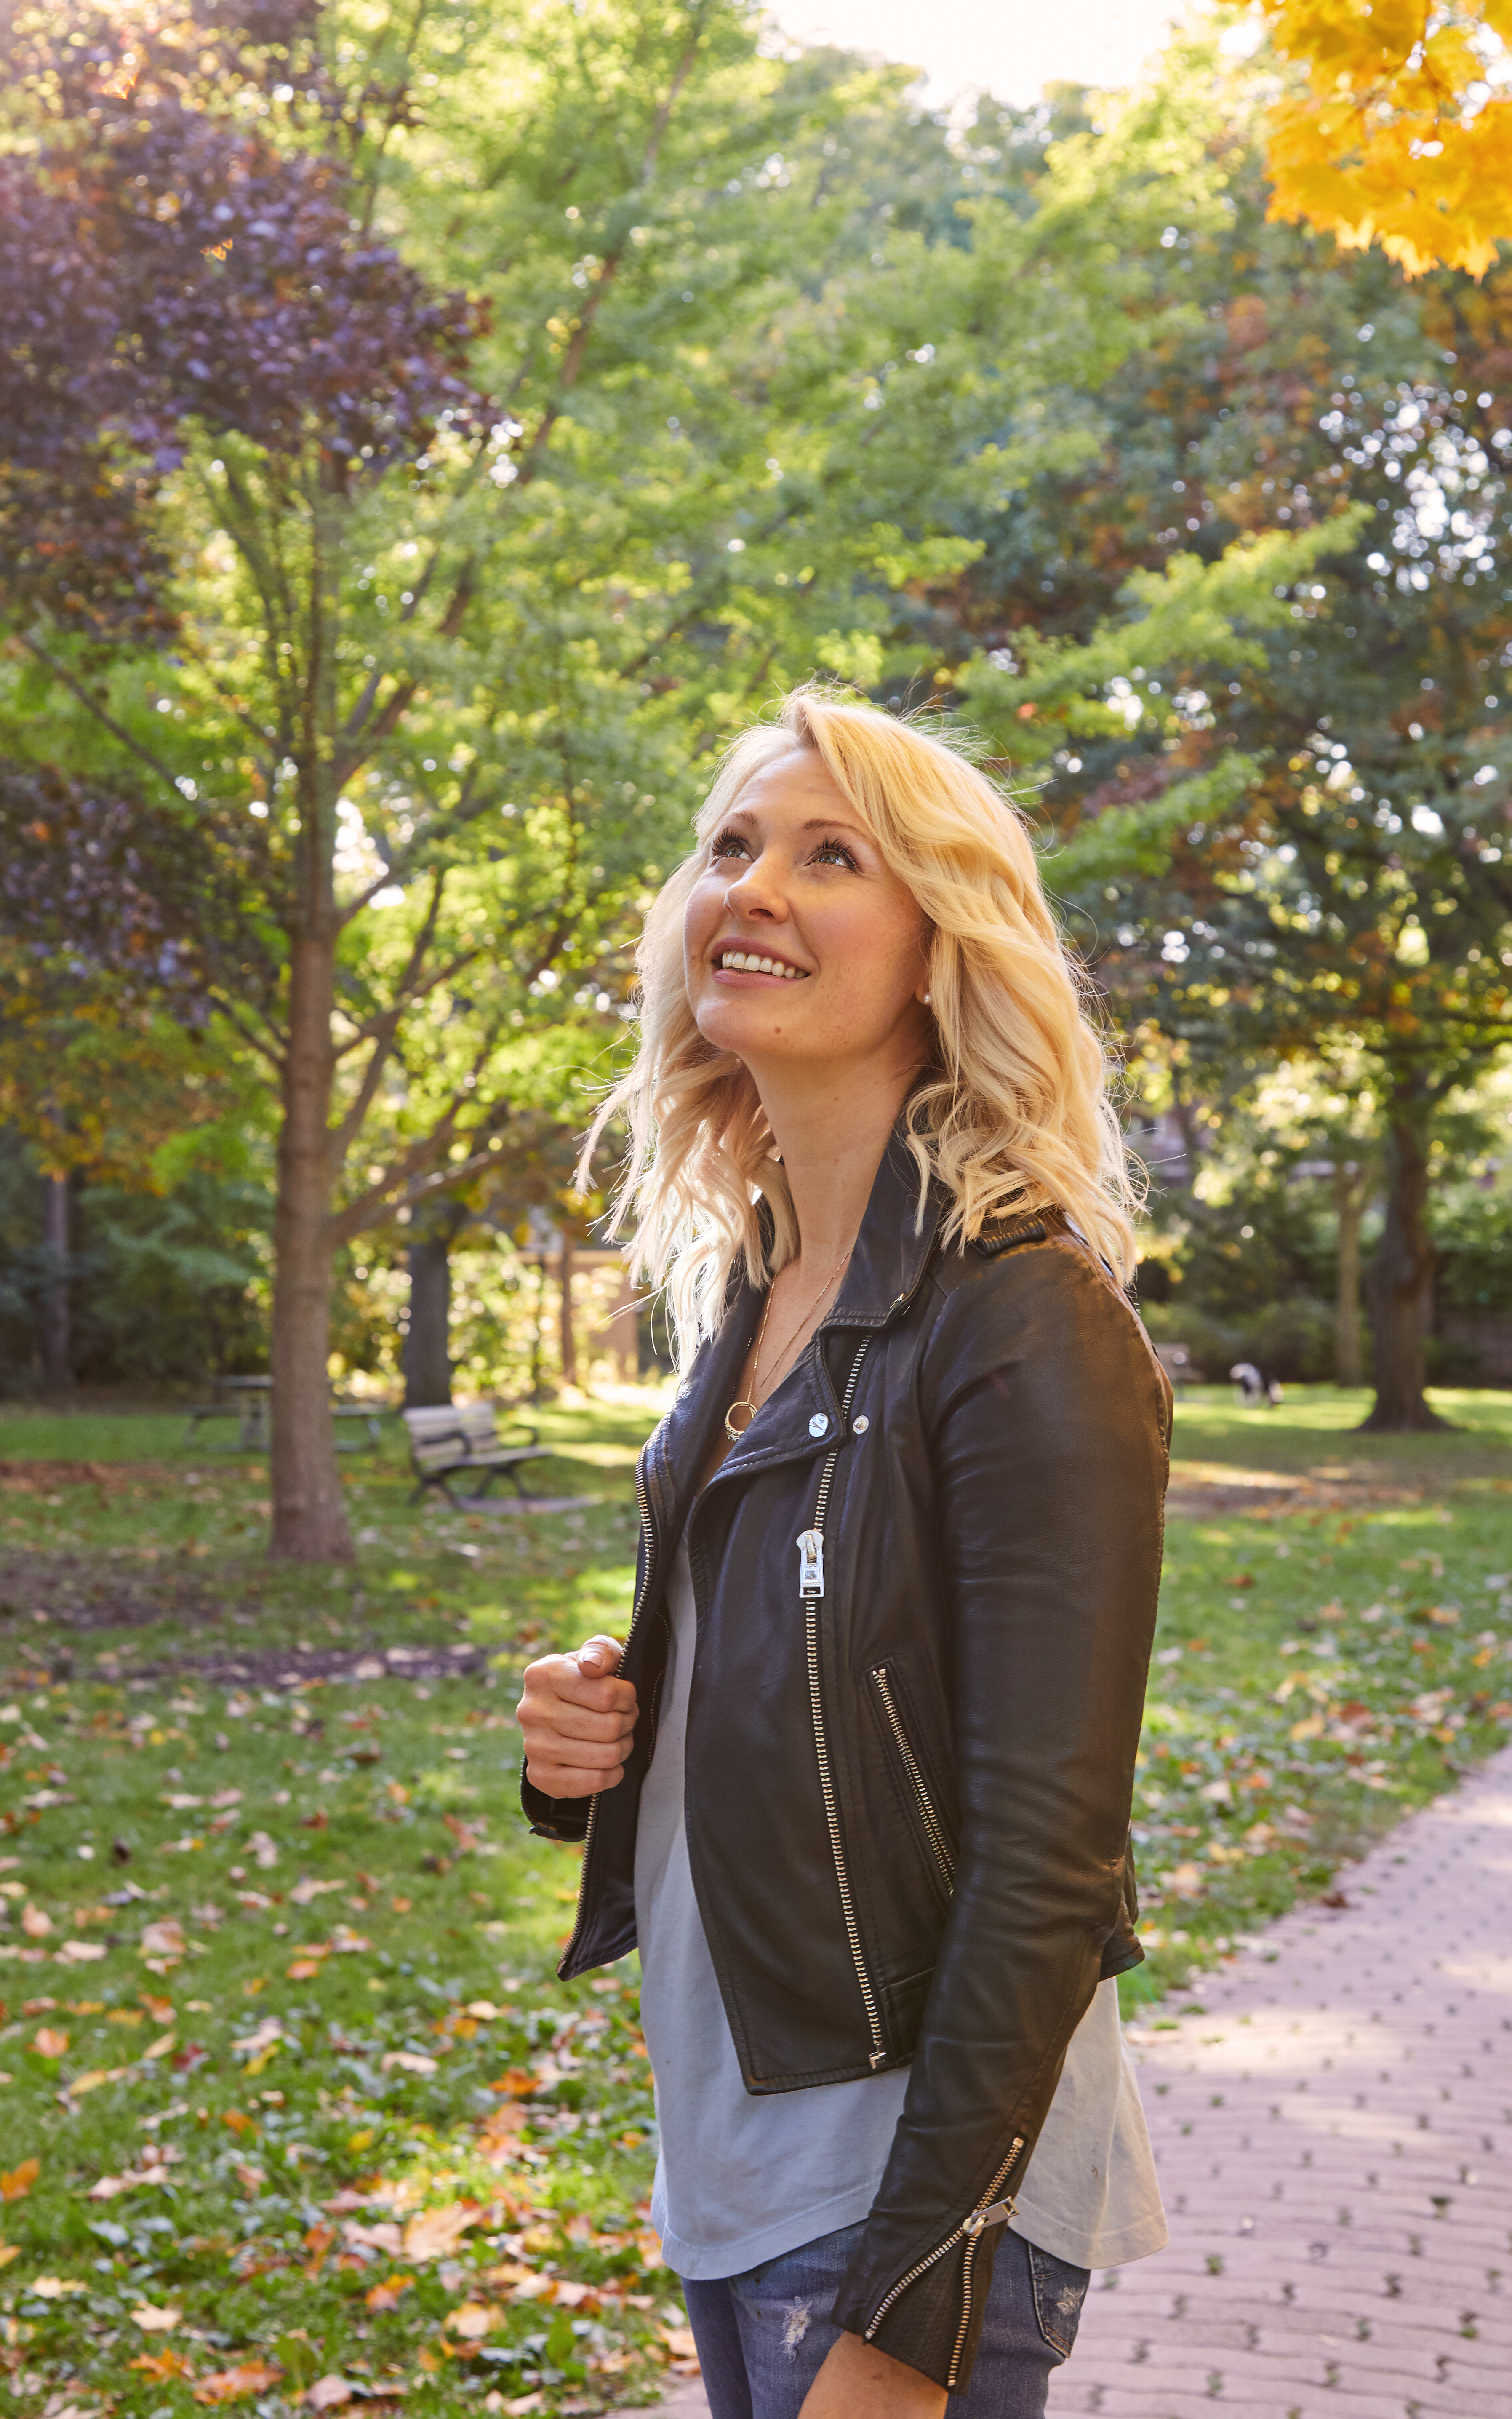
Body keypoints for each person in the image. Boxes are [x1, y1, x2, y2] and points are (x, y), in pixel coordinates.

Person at [517, 690, 1170, 2419]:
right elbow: (836, 1680)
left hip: (897, 2194)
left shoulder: (1022, 1316)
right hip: (733, 2155)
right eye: (731, 846)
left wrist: (916, 2296)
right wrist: (598, 1730)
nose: (755, 887)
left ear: (943, 943)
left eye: (831, 854)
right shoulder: (756, 1303)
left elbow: (1054, 1859)